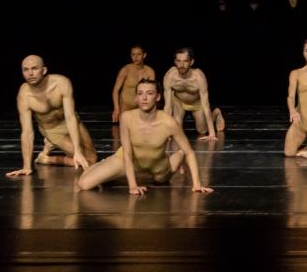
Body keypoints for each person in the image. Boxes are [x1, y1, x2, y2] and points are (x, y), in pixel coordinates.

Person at [77, 79, 214, 194]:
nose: (144, 98)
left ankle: (179, 155)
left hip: (157, 167)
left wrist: (197, 184)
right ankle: (103, 164)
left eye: (149, 93)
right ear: (136, 97)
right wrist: (132, 186)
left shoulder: (169, 123)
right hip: (127, 161)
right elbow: (128, 153)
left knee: (163, 178)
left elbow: (190, 152)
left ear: (158, 97)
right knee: (84, 184)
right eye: (140, 93)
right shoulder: (127, 118)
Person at [7, 55, 97, 177]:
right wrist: (26, 167)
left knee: (93, 158)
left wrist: (77, 150)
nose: (30, 73)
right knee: (87, 161)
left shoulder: (61, 83)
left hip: (68, 121)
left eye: (34, 68)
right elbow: (27, 132)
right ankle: (45, 159)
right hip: (52, 129)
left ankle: (50, 152)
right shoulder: (24, 95)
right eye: (26, 70)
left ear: (44, 70)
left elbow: (70, 117)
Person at [162, 47, 225, 142]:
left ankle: (216, 113)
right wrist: (165, 132)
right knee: (177, 130)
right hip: (178, 102)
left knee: (202, 130)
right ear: (175, 61)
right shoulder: (170, 76)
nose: (181, 65)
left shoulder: (199, 77)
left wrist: (211, 133)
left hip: (196, 103)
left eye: (185, 61)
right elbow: (167, 106)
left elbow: (206, 105)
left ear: (191, 62)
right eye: (178, 61)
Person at [111, 45, 157, 123]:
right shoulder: (125, 70)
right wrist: (116, 109)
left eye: (138, 54)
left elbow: (152, 92)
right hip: (125, 106)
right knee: (125, 126)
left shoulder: (150, 72)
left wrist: (152, 109)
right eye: (133, 54)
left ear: (144, 55)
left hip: (141, 107)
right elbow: (115, 91)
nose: (135, 57)